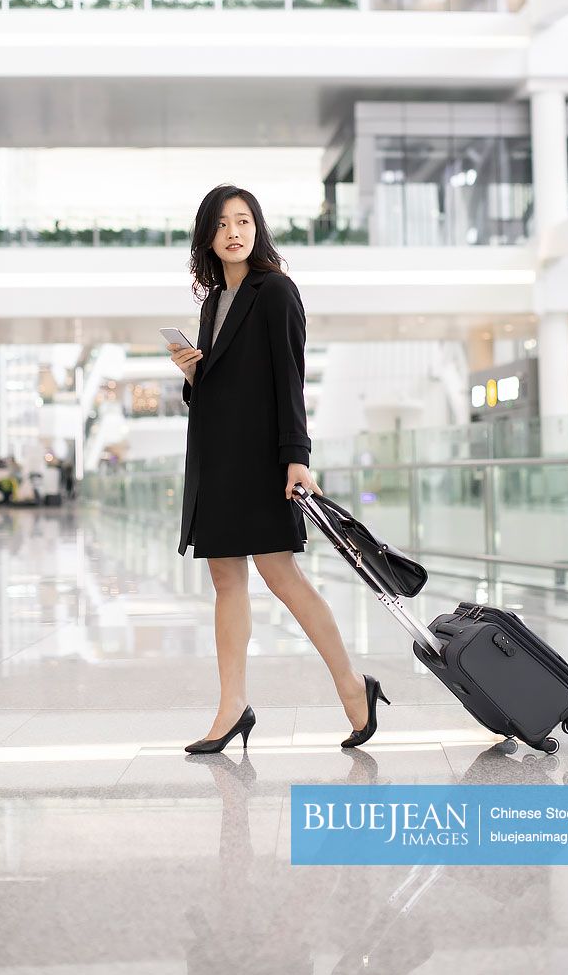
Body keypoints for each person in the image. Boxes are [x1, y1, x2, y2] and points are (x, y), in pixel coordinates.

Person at [167, 184, 390, 755]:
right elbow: (219, 391)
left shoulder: (276, 292)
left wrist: (298, 457)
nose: (233, 233)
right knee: (225, 581)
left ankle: (351, 684)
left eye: (243, 221)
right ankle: (231, 706)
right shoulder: (212, 303)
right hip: (216, 462)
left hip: (261, 462)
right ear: (207, 239)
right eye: (221, 226)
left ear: (257, 229)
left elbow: (290, 378)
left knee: (283, 577)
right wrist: (192, 373)